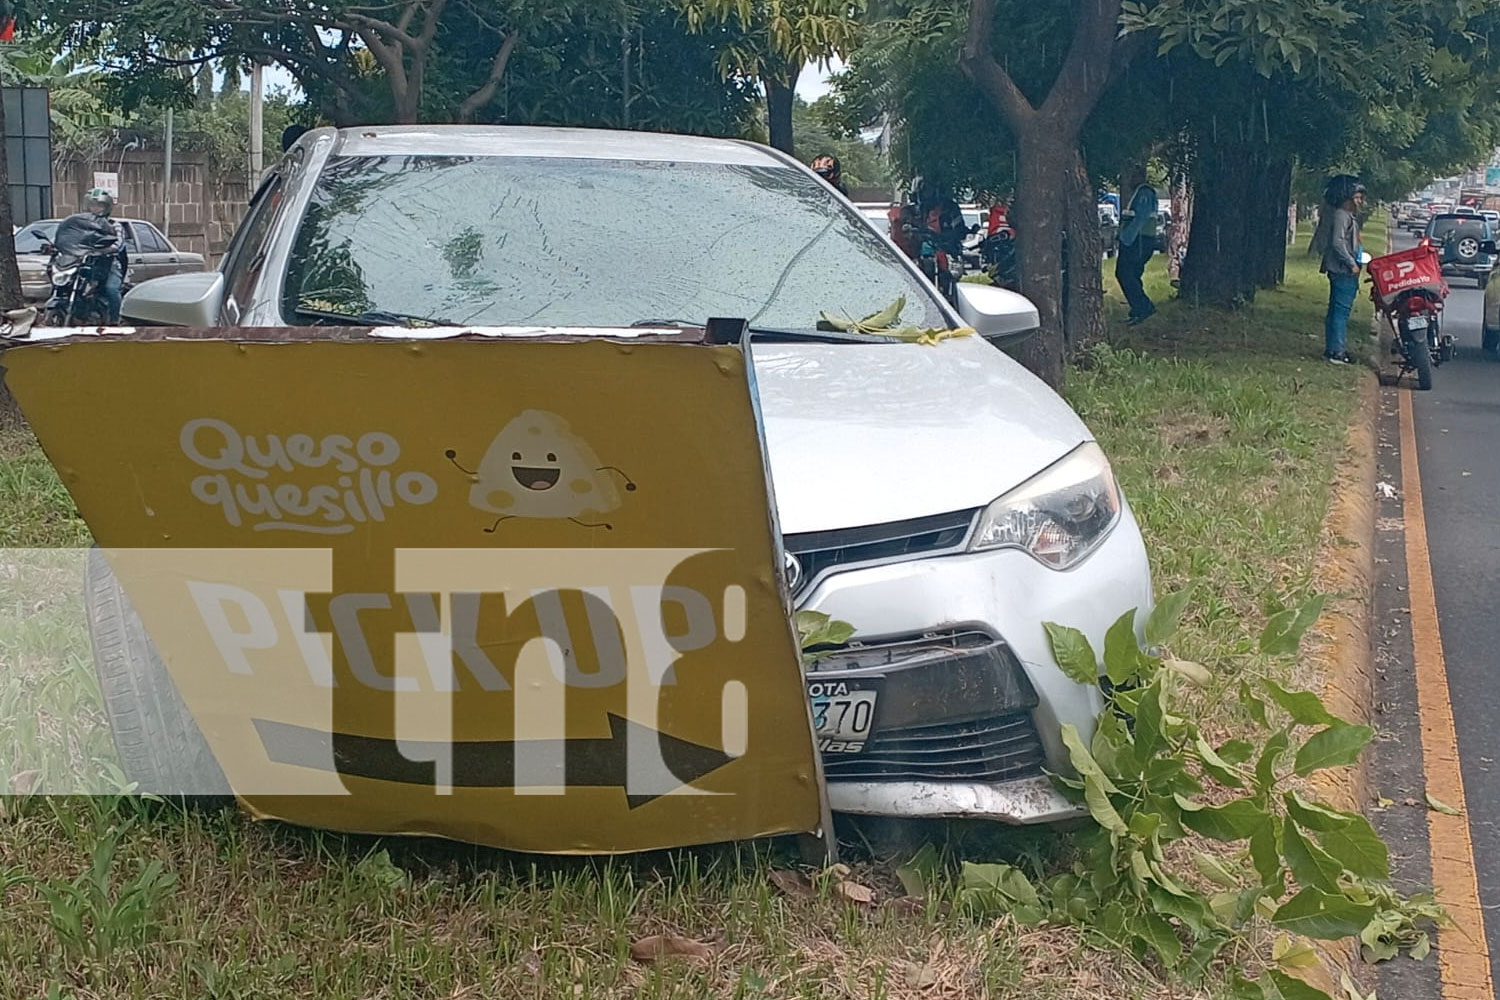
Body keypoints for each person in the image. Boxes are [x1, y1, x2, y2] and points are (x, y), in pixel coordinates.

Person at [51, 188, 127, 322]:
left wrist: (104, 250)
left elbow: (119, 245)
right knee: (64, 283)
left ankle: (116, 321)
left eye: (99, 205)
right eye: (92, 205)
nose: (95, 209)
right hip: (82, 263)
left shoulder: (114, 225)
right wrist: (53, 246)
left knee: (111, 289)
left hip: (107, 265)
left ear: (107, 207)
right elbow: (68, 239)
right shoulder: (80, 225)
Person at [1316, 175, 1365, 365]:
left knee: (1337, 310)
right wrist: (1351, 263)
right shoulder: (1341, 216)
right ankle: (1337, 351)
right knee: (1341, 312)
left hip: (1342, 269)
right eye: (1357, 197)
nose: (1360, 201)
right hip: (1342, 270)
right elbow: (1338, 243)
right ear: (1347, 197)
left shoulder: (1345, 216)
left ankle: (1334, 349)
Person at [1116, 182, 1159, 325]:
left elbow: (1141, 218)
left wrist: (1126, 237)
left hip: (1138, 240)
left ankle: (1144, 307)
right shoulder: (1140, 192)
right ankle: (1138, 311)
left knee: (1124, 273)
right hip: (1139, 239)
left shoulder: (1144, 193)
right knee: (1133, 274)